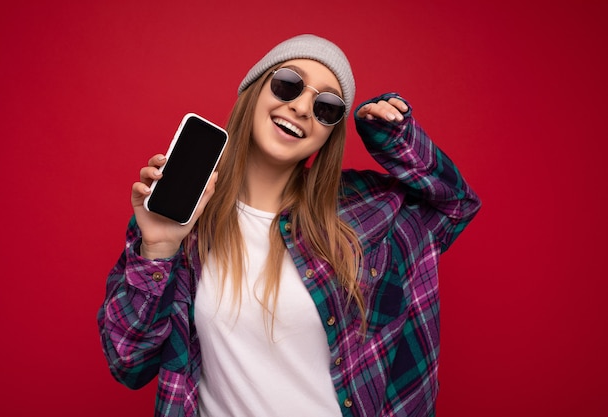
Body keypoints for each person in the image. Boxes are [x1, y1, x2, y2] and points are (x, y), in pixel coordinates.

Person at [97, 34, 481, 417]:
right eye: (288, 85)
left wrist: (392, 136)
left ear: (330, 133)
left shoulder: (366, 212)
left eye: (327, 107)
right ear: (254, 91)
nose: (300, 107)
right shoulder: (183, 215)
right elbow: (128, 361)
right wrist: (159, 249)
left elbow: (456, 204)